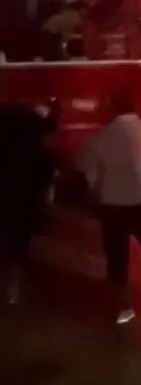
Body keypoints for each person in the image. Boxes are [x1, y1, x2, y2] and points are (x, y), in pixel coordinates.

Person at [78, 91, 141, 324]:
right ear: (135, 108)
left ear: (112, 109)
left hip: (112, 207)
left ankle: (123, 308)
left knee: (117, 259)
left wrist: (98, 194)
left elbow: (90, 174)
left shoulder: (100, 138)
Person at [0, 101, 58, 305]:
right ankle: (13, 289)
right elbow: (48, 182)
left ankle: (12, 287)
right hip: (25, 203)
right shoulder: (39, 152)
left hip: (8, 199)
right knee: (18, 245)